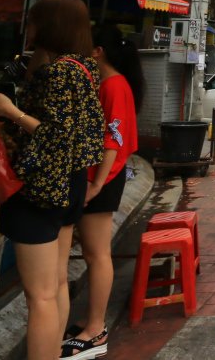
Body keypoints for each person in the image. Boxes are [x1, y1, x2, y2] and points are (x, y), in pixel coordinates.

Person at [0, 0, 104, 360]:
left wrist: (10, 112)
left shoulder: (58, 73)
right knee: (55, 286)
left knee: (40, 297)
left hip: (41, 188)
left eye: (33, 21)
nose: (28, 28)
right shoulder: (83, 67)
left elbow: (56, 135)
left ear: (48, 25)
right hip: (70, 182)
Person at [61, 25, 143, 360]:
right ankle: (90, 322)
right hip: (99, 178)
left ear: (98, 52)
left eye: (85, 47)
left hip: (103, 180)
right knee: (95, 254)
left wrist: (95, 185)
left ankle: (96, 330)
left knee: (97, 254)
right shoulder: (108, 83)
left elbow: (115, 138)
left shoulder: (113, 84)